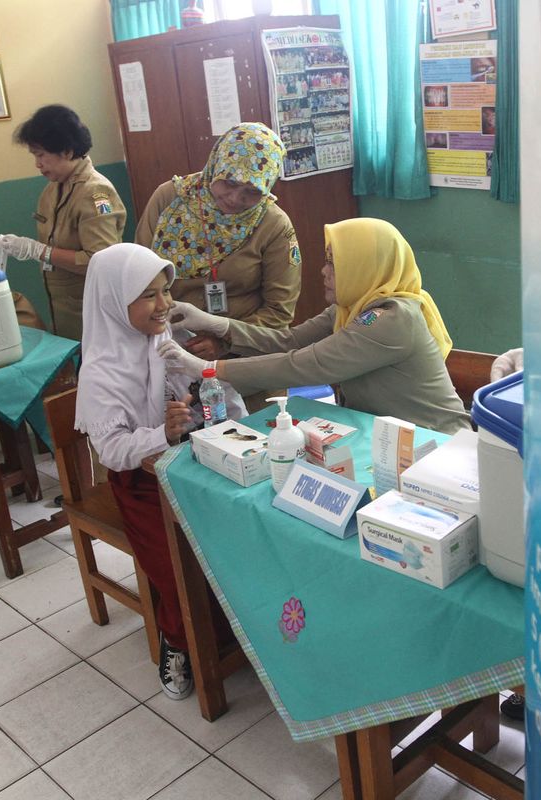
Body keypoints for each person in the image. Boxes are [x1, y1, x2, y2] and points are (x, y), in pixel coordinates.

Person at [74, 243, 238, 700]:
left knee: (241, 539)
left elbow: (210, 396)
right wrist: (162, 434)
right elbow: (112, 450)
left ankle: (239, 637)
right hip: (143, 484)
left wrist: (202, 396)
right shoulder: (100, 372)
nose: (164, 304)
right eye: (148, 295)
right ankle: (180, 639)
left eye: (165, 290)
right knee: (179, 565)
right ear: (113, 300)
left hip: (194, 464)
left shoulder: (165, 343)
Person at [159, 217, 471, 434]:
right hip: (387, 435)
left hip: (433, 443)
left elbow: (307, 365)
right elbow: (288, 341)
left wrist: (207, 368)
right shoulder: (351, 307)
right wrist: (215, 324)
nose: (323, 271)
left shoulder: (391, 318)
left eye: (334, 262)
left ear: (364, 265)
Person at [134, 122, 301, 365]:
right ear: (216, 165)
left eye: (252, 191)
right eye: (230, 182)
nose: (235, 198)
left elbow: (279, 311)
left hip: (245, 359)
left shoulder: (274, 225)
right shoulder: (171, 199)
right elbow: (138, 277)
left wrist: (225, 340)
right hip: (168, 347)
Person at [0, 104, 126, 339]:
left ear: (66, 151)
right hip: (62, 307)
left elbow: (99, 260)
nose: (37, 163)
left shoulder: (96, 192)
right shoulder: (53, 189)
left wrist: (38, 250)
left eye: (41, 154)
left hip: (94, 309)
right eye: (34, 155)